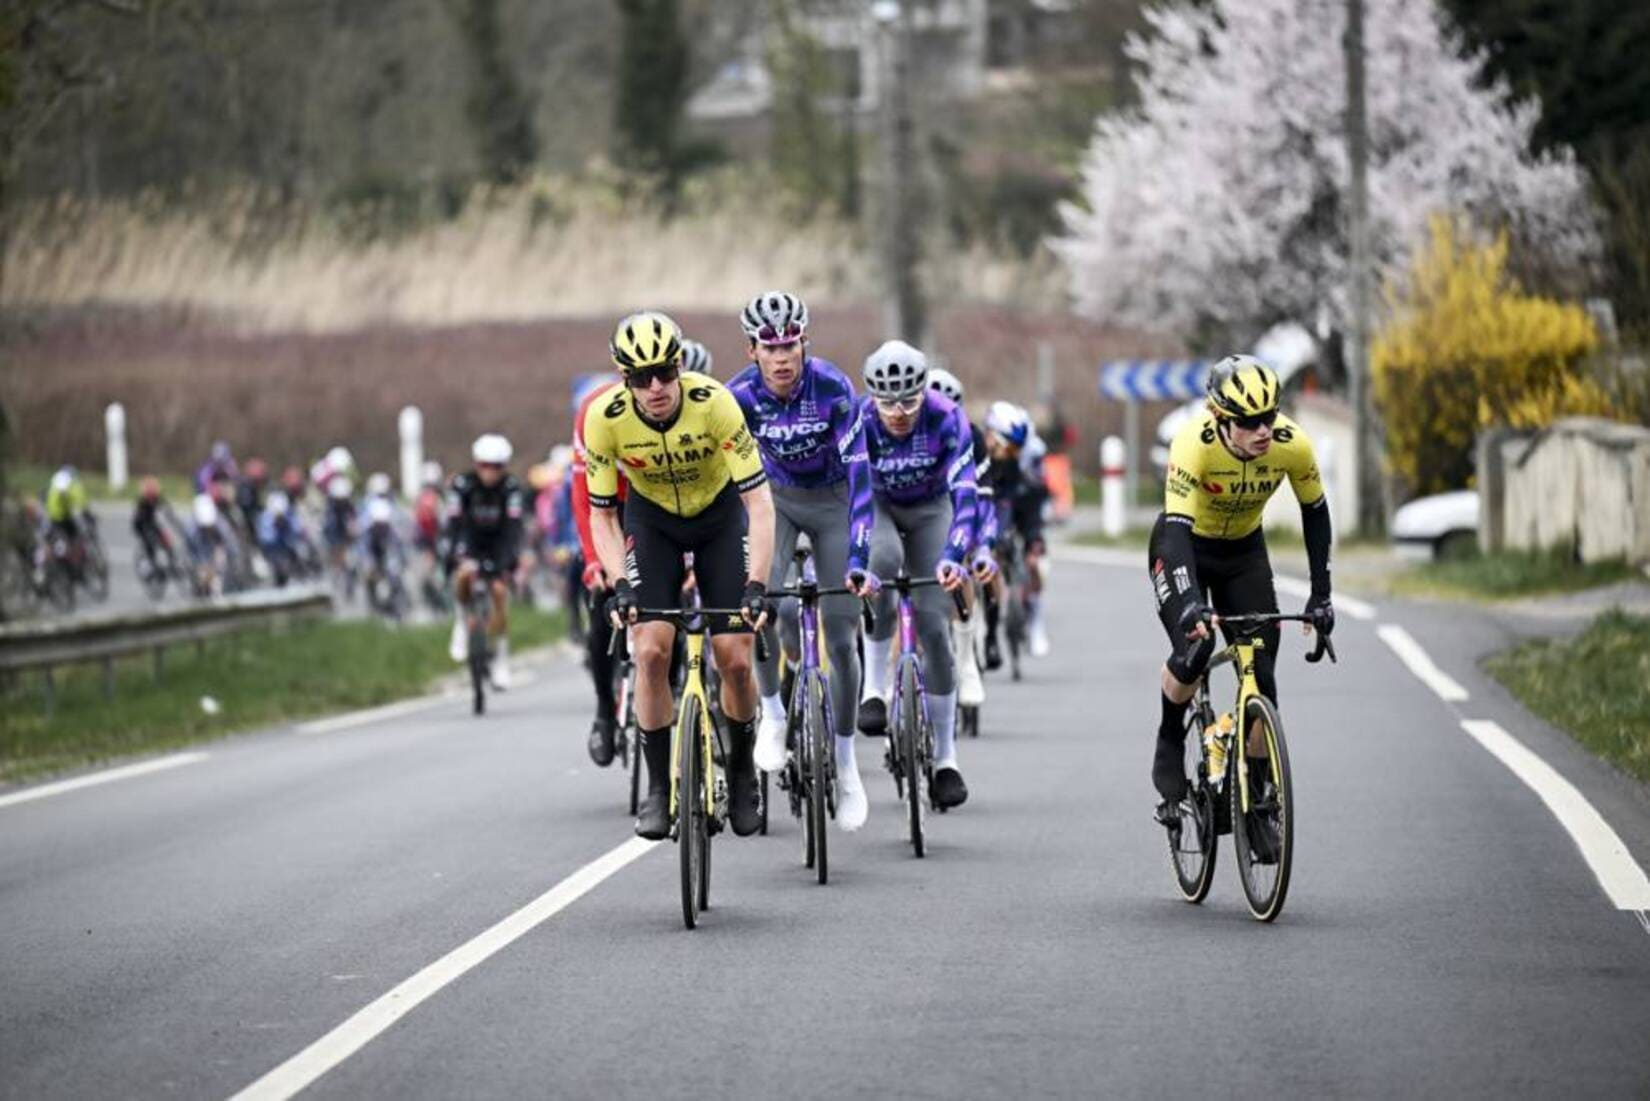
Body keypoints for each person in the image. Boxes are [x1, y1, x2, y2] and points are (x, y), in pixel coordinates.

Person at [582, 310, 775, 841]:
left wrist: (756, 585)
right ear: (626, 379)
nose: (657, 386)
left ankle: (740, 773)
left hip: (719, 518)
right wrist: (619, 581)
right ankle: (657, 788)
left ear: (680, 364)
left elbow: (758, 502)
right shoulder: (605, 418)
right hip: (654, 524)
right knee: (649, 651)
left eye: (665, 371)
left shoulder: (715, 404)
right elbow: (602, 513)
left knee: (734, 657)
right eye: (641, 378)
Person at [1148, 355, 1334, 859]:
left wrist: (1321, 595)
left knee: (1263, 674)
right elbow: (1178, 534)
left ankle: (1256, 803)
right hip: (1184, 547)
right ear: (1220, 418)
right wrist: (1190, 605)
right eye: (1249, 422)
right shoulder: (1193, 444)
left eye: (1269, 417)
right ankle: (1169, 739)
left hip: (1244, 554)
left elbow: (1315, 514)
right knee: (1195, 646)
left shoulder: (1291, 444)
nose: (1263, 431)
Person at [727, 290, 877, 832]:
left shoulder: (834, 388)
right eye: (771, 346)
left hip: (835, 503)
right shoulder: (737, 398)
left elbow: (862, 478)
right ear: (752, 351)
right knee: (768, 608)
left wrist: (860, 556)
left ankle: (845, 762)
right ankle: (772, 711)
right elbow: (728, 483)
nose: (783, 355)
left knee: (841, 630)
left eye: (791, 343)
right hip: (777, 503)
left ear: (804, 342)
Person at [856, 341, 981, 810]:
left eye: (909, 399)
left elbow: (965, 491)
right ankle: (874, 686)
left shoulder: (947, 416)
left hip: (932, 510)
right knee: (883, 561)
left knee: (934, 626)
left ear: (923, 393)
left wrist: (954, 553)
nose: (899, 411)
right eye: (887, 401)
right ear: (872, 397)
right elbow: (851, 489)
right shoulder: (860, 420)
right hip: (881, 508)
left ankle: (946, 760)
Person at [926, 368, 997, 720]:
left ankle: (968, 658)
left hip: (956, 507)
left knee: (964, 566)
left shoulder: (974, 437)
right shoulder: (904, 425)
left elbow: (980, 499)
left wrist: (982, 546)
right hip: (910, 509)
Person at [445, 434, 526, 690]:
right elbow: (454, 524)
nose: (489, 473)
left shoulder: (511, 488)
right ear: (476, 464)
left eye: (496, 467)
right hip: (470, 539)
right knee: (462, 576)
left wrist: (509, 561)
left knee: (500, 592)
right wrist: (457, 554)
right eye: (484, 466)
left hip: (498, 543)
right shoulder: (462, 485)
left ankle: (501, 655)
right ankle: (460, 621)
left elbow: (514, 528)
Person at [981, 401, 1051, 660]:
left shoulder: (1032, 453)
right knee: (992, 559)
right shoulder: (982, 449)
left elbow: (1037, 498)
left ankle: (1036, 620)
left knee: (1035, 561)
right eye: (1007, 448)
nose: (1012, 454)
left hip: (1027, 501)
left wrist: (1035, 540)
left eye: (1016, 450)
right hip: (998, 502)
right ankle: (991, 626)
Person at [131, 476, 186, 577]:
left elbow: (170, 515)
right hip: (143, 527)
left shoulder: (160, 500)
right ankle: (150, 564)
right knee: (150, 542)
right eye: (150, 495)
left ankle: (172, 564)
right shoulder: (141, 502)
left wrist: (180, 528)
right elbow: (138, 521)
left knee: (167, 541)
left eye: (154, 494)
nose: (152, 497)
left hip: (155, 526)